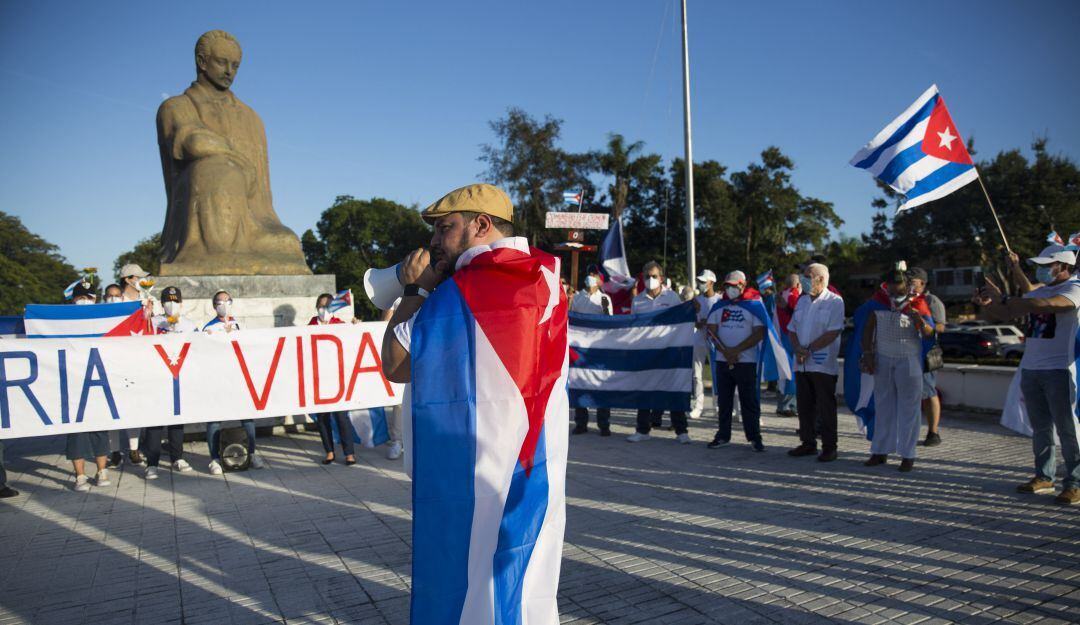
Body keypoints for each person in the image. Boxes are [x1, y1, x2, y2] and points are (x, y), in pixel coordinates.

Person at [380, 183, 568, 621]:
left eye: (445, 228)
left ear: (481, 225)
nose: (432, 242)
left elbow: (395, 363)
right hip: (533, 462)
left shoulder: (460, 291)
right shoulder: (545, 277)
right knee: (524, 573)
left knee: (466, 577)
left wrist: (416, 289)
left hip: (474, 472)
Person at [977, 245, 1080, 505]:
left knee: (1068, 430)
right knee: (1041, 428)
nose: (1042, 270)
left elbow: (1047, 305)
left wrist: (1005, 298)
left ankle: (1075, 482)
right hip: (1032, 369)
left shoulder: (1074, 289)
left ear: (1064, 266)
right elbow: (1008, 312)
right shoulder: (1040, 290)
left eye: (1048, 266)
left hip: (1060, 370)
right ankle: (1044, 477)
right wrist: (988, 304)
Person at [859, 269, 935, 472]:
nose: (893, 287)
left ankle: (908, 455)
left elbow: (930, 333)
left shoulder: (917, 303)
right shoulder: (878, 301)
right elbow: (868, 328)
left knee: (909, 409)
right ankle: (880, 450)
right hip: (883, 358)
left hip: (908, 360)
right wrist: (867, 354)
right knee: (883, 406)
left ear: (906, 285)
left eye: (897, 284)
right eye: (890, 283)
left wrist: (919, 319)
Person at [627, 261, 690, 444]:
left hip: (668, 352)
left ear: (661, 278)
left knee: (673, 390)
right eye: (647, 276)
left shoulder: (672, 298)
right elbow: (633, 327)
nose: (650, 279)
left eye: (654, 276)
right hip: (646, 352)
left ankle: (681, 431)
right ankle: (642, 430)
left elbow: (681, 322)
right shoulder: (637, 300)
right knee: (644, 392)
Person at [786, 264, 845, 462]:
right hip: (801, 362)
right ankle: (808, 443)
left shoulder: (835, 302)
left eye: (807, 276)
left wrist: (809, 349)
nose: (803, 280)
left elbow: (833, 331)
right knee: (804, 405)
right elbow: (792, 328)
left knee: (825, 406)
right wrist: (798, 349)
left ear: (820, 279)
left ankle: (830, 447)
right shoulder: (802, 301)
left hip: (822, 363)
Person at [203, 290, 265, 474]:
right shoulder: (208, 328)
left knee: (247, 418)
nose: (223, 305)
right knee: (214, 420)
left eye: (227, 301)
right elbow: (205, 351)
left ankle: (251, 453)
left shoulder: (240, 325)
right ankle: (214, 458)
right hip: (218, 380)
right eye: (219, 302)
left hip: (239, 378)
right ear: (214, 306)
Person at [706, 271, 767, 452]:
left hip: (746, 361)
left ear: (743, 284)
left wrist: (735, 351)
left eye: (735, 285)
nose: (731, 289)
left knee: (749, 401)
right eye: (728, 286)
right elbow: (711, 330)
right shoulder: (719, 305)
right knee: (724, 401)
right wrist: (725, 351)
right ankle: (723, 435)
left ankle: (755, 437)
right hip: (722, 360)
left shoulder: (754, 304)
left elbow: (759, 332)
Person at [144, 286, 198, 480]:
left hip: (179, 377)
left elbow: (199, 349)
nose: (172, 304)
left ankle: (177, 457)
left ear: (181, 303)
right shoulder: (152, 323)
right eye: (167, 301)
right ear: (161, 303)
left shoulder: (189, 325)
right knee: (155, 423)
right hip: (157, 378)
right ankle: (152, 463)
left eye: (175, 301)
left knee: (177, 421)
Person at [65, 281, 112, 491]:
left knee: (100, 427)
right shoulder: (63, 322)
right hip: (73, 381)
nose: (85, 301)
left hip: (98, 379)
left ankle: (102, 471)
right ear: (73, 300)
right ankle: (80, 475)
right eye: (80, 297)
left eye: (89, 298)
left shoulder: (103, 321)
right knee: (76, 430)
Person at [309, 293, 357, 465]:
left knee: (341, 416)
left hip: (337, 378)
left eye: (327, 306)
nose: (323, 309)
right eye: (321, 306)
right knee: (322, 418)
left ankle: (349, 453)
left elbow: (353, 340)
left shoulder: (339, 325)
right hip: (318, 378)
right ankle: (329, 451)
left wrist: (355, 327)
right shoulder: (310, 325)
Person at [570, 266, 613, 435]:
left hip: (599, 349)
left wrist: (604, 309)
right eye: (589, 273)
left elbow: (610, 324)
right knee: (580, 384)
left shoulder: (604, 298)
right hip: (580, 349)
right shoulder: (578, 298)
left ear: (600, 279)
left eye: (594, 274)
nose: (591, 277)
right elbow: (572, 320)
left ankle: (604, 423)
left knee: (601, 386)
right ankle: (581, 422)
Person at [907, 267, 947, 447]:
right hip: (907, 351)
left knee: (929, 391)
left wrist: (923, 323)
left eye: (912, 281)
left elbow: (940, 327)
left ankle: (933, 431)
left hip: (926, 352)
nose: (908, 284)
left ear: (922, 283)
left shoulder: (931, 301)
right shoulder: (904, 299)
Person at [691, 270, 722, 420]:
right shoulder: (696, 300)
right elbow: (692, 320)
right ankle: (698, 405)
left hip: (716, 339)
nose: (700, 284)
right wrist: (697, 322)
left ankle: (717, 405)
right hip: (699, 336)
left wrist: (711, 324)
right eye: (699, 281)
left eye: (703, 282)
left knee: (717, 372)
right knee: (697, 373)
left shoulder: (720, 300)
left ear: (711, 282)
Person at [775, 274, 802, 417]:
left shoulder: (779, 295)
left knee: (784, 373)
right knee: (792, 372)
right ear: (797, 285)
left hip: (781, 336)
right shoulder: (794, 296)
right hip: (791, 336)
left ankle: (782, 405)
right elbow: (798, 315)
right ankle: (789, 406)